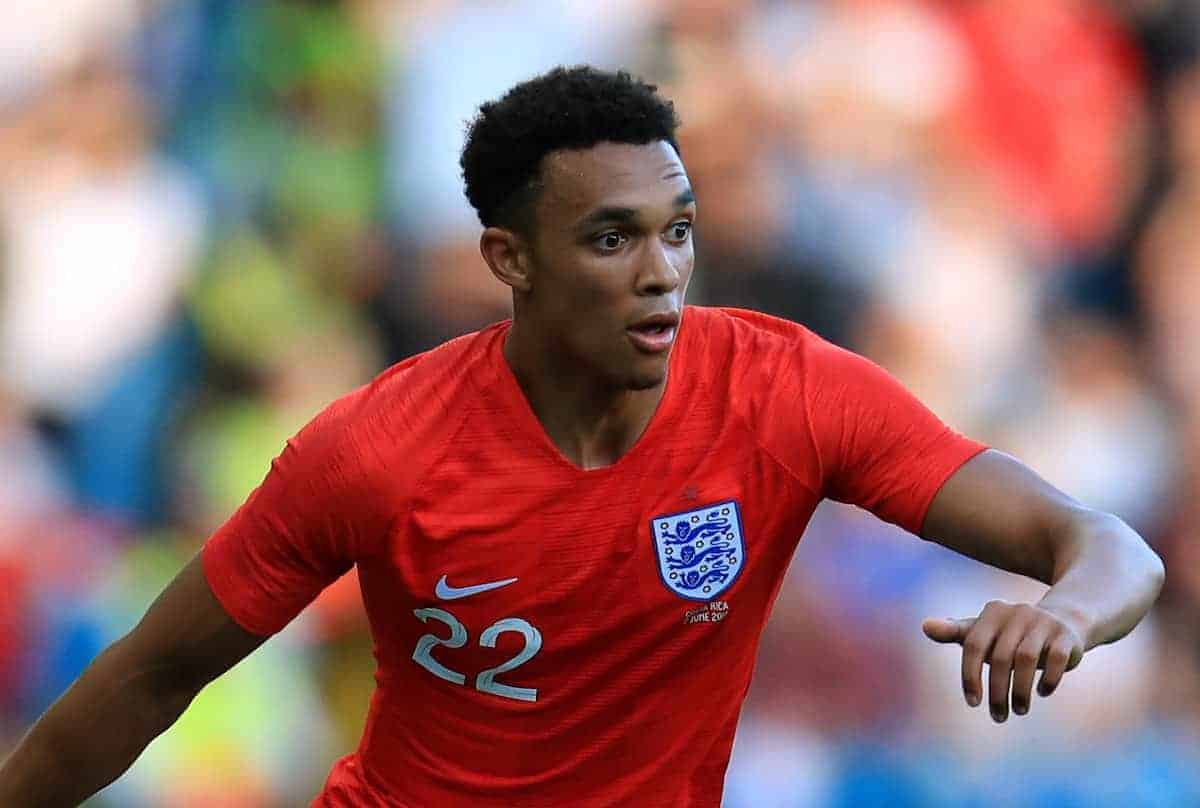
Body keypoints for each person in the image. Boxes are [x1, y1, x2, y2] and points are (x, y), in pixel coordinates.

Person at [0, 66, 1164, 807]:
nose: (663, 275)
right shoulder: (379, 449)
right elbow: (156, 670)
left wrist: (1065, 607)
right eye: (613, 240)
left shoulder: (786, 391)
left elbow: (1111, 546)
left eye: (679, 231)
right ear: (510, 259)